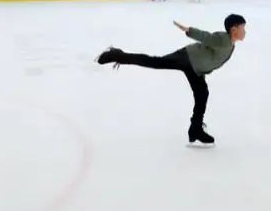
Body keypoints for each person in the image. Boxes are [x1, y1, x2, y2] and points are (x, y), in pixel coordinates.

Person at [96, 15, 248, 145]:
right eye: (242, 27)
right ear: (234, 30)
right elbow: (207, 37)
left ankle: (195, 129)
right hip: (187, 58)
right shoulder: (223, 39)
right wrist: (189, 30)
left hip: (197, 69)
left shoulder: (230, 44)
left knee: (202, 94)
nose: (244, 31)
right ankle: (117, 55)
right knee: (156, 62)